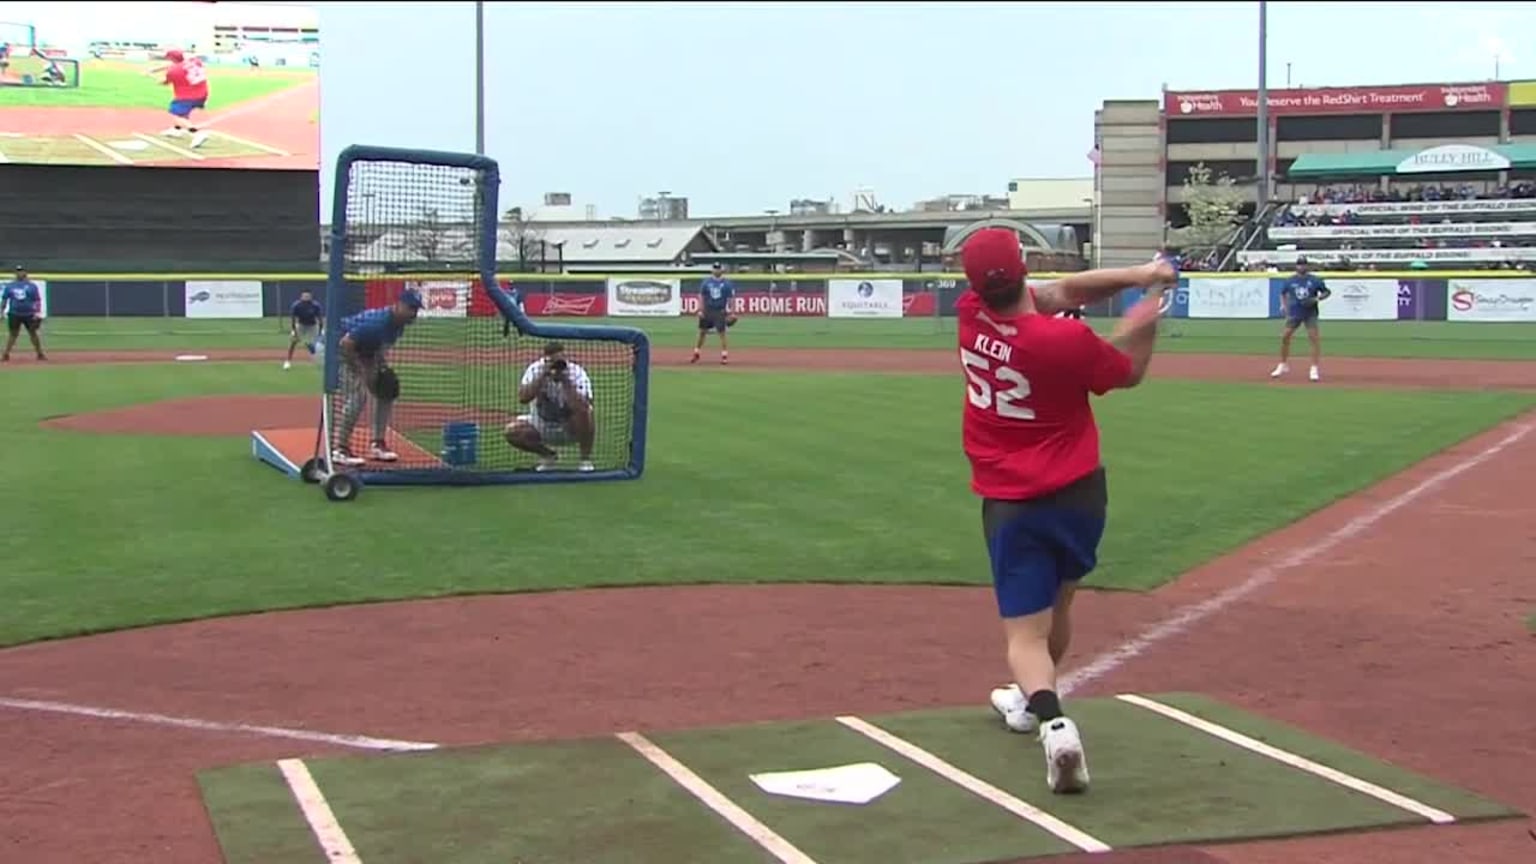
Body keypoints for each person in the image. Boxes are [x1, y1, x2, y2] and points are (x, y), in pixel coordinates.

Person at [956, 227, 1174, 795]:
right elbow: (1130, 372)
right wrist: (1149, 311)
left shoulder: (969, 314)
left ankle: (1053, 721)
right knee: (1061, 601)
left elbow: (1058, 294)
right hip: (1079, 492)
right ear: (1024, 267)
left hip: (1012, 498)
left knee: (1025, 633)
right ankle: (1031, 706)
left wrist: (1140, 274)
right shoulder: (1063, 343)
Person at [331, 289, 422, 466]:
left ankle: (377, 444)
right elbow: (346, 344)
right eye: (410, 308)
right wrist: (359, 372)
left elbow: (376, 350)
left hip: (360, 350)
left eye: (416, 309)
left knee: (385, 389)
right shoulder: (377, 323)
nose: (413, 313)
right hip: (334, 347)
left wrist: (379, 370)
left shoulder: (399, 325)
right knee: (358, 396)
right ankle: (339, 449)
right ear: (399, 305)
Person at [505, 342, 596, 472]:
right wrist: (543, 375)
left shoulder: (577, 373)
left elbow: (583, 407)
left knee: (587, 413)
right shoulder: (535, 369)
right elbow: (523, 398)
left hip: (569, 427)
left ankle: (585, 460)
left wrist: (565, 381)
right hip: (541, 426)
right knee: (512, 432)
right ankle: (548, 456)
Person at [1270, 257, 1330, 382]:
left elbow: (1326, 292)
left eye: (1303, 265)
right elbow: (1283, 292)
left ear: (1307, 266)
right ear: (1296, 266)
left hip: (1310, 312)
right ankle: (1283, 364)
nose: (1301, 267)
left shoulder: (1314, 280)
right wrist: (1283, 305)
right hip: (1295, 312)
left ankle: (1314, 368)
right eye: (1299, 265)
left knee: (1314, 339)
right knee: (1285, 336)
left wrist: (1316, 299)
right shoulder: (1291, 280)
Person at [148, 49, 210, 149]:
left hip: (187, 96)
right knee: (183, 111)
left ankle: (196, 133)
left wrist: (151, 76)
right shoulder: (194, 61)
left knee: (177, 114)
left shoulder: (174, 71)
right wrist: (155, 69)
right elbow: (177, 65)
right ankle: (177, 129)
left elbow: (164, 82)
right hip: (202, 92)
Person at [690, 262, 735, 365]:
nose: (716, 270)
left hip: (720, 310)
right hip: (708, 310)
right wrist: (700, 309)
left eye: (718, 268)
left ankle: (724, 356)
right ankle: (696, 353)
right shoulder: (706, 282)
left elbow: (731, 299)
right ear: (712, 270)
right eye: (715, 268)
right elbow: (701, 296)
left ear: (721, 270)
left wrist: (732, 312)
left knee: (722, 334)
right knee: (702, 332)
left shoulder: (727, 283)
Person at [2, 265, 46, 362]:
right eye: (18, 271)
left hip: (29, 314)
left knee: (33, 334)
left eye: (21, 271)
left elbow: (37, 300)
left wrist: (37, 312)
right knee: (13, 335)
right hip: (14, 313)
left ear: (25, 273)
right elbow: (5, 299)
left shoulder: (31, 286)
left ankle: (40, 353)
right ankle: (6, 354)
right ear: (15, 273)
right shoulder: (10, 286)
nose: (19, 273)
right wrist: (1, 311)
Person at [284, 290, 324, 370]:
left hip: (312, 325)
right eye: (304, 296)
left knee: (315, 344)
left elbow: (320, 319)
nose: (306, 298)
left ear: (311, 297)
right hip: (301, 325)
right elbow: (293, 319)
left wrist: (320, 330)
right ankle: (288, 361)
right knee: (293, 342)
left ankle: (318, 360)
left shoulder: (315, 305)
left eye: (308, 296)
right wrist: (294, 331)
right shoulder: (296, 305)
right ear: (301, 297)